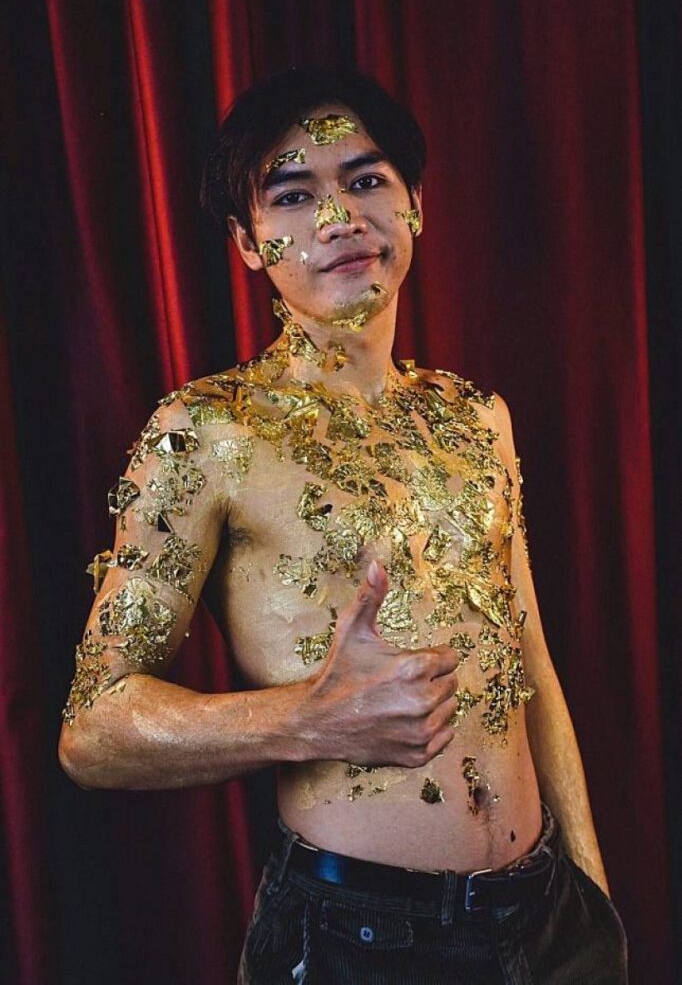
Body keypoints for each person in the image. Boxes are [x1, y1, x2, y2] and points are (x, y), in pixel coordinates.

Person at [59, 68, 628, 983]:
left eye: (365, 180)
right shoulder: (206, 433)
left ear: (415, 206)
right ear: (248, 242)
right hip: (356, 938)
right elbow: (93, 730)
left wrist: (591, 892)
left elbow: (532, 661)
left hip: (549, 920)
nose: (338, 217)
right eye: (293, 195)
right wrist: (310, 719)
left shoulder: (476, 418)